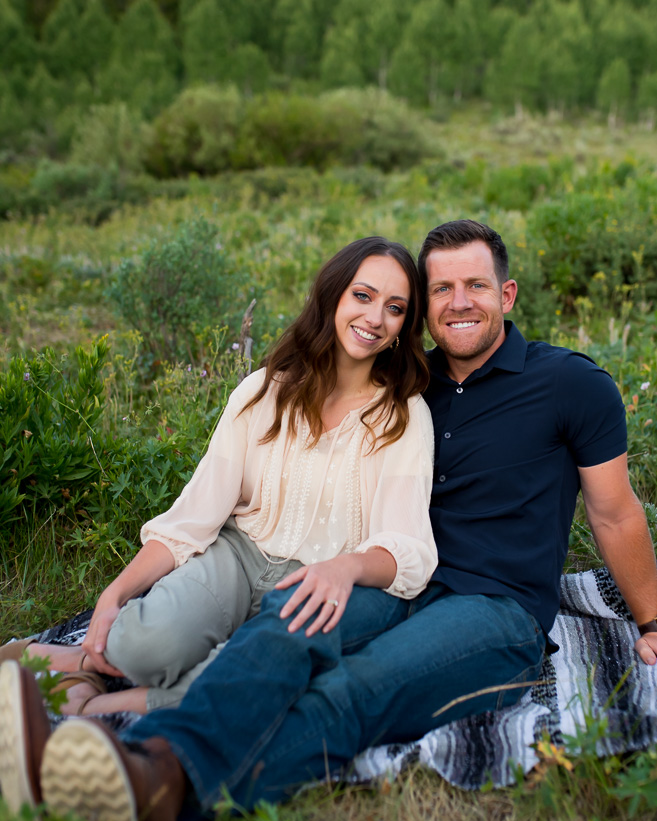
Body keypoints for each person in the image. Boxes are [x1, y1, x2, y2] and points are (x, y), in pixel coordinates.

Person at [0, 220, 657, 821]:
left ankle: (161, 785)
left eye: (475, 286)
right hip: (398, 584)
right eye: (442, 289)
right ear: (425, 310)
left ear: (505, 295)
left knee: (353, 691)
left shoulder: (569, 383)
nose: (459, 303)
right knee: (286, 622)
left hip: (491, 606)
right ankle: (129, 755)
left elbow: (613, 513)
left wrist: (652, 622)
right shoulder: (410, 384)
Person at [0, 236, 436, 718]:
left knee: (251, 673)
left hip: (315, 584)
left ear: (403, 327)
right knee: (144, 645)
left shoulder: (404, 416)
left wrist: (345, 568)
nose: (375, 318)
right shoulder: (263, 392)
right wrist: (114, 594)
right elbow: (193, 518)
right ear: (334, 295)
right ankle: (77, 661)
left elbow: (407, 548)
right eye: (363, 295)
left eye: (394, 308)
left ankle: (95, 707)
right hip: (237, 556)